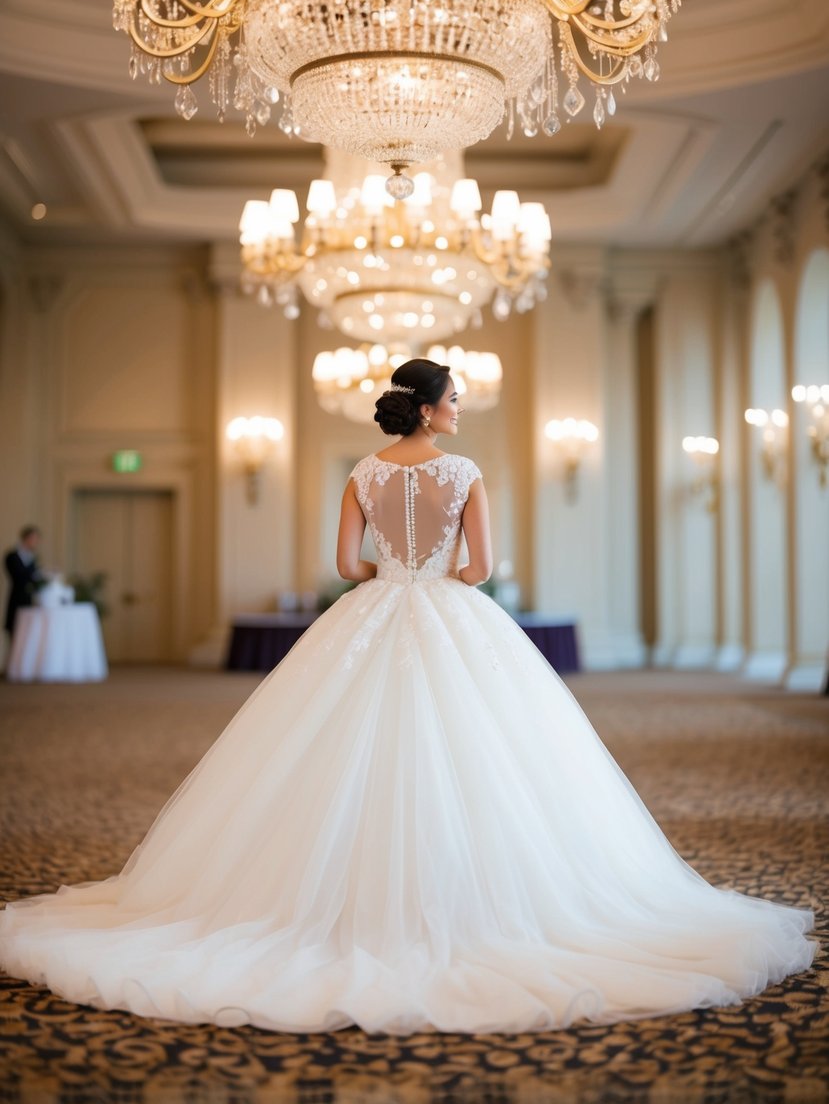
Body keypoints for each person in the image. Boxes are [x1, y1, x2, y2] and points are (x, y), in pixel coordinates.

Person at [0, 360, 815, 1033]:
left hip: (374, 612)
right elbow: (480, 569)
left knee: (334, 746)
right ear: (427, 407)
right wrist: (439, 574)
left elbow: (346, 566)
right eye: (454, 397)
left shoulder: (361, 471)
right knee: (490, 753)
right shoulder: (464, 472)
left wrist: (392, 571)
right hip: (452, 615)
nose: (460, 408)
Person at [4, 525, 42, 638]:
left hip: (28, 600)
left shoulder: (32, 558)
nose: (35, 542)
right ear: (27, 538)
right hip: (16, 599)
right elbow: (19, 577)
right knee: (15, 633)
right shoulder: (11, 556)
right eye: (34, 539)